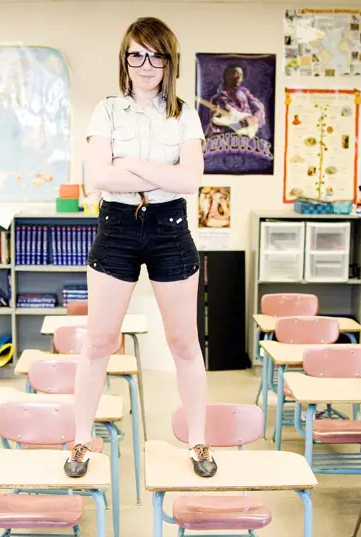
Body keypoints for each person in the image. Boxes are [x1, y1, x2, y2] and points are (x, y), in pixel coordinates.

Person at [65, 16, 216, 479]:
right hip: (118, 227)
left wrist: (128, 161)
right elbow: (100, 177)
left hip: (170, 227)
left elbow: (191, 181)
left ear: (169, 62)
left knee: (184, 342)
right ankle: (79, 442)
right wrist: (156, 170)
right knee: (100, 342)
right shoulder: (106, 111)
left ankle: (199, 443)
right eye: (136, 54)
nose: (146, 64)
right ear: (125, 60)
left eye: (156, 56)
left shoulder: (185, 113)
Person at [205, 64, 265, 138]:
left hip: (248, 136)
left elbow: (259, 107)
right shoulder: (216, 99)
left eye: (241, 75)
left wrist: (254, 118)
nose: (239, 77)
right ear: (227, 76)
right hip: (227, 138)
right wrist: (214, 118)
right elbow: (216, 128)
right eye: (236, 74)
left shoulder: (245, 92)